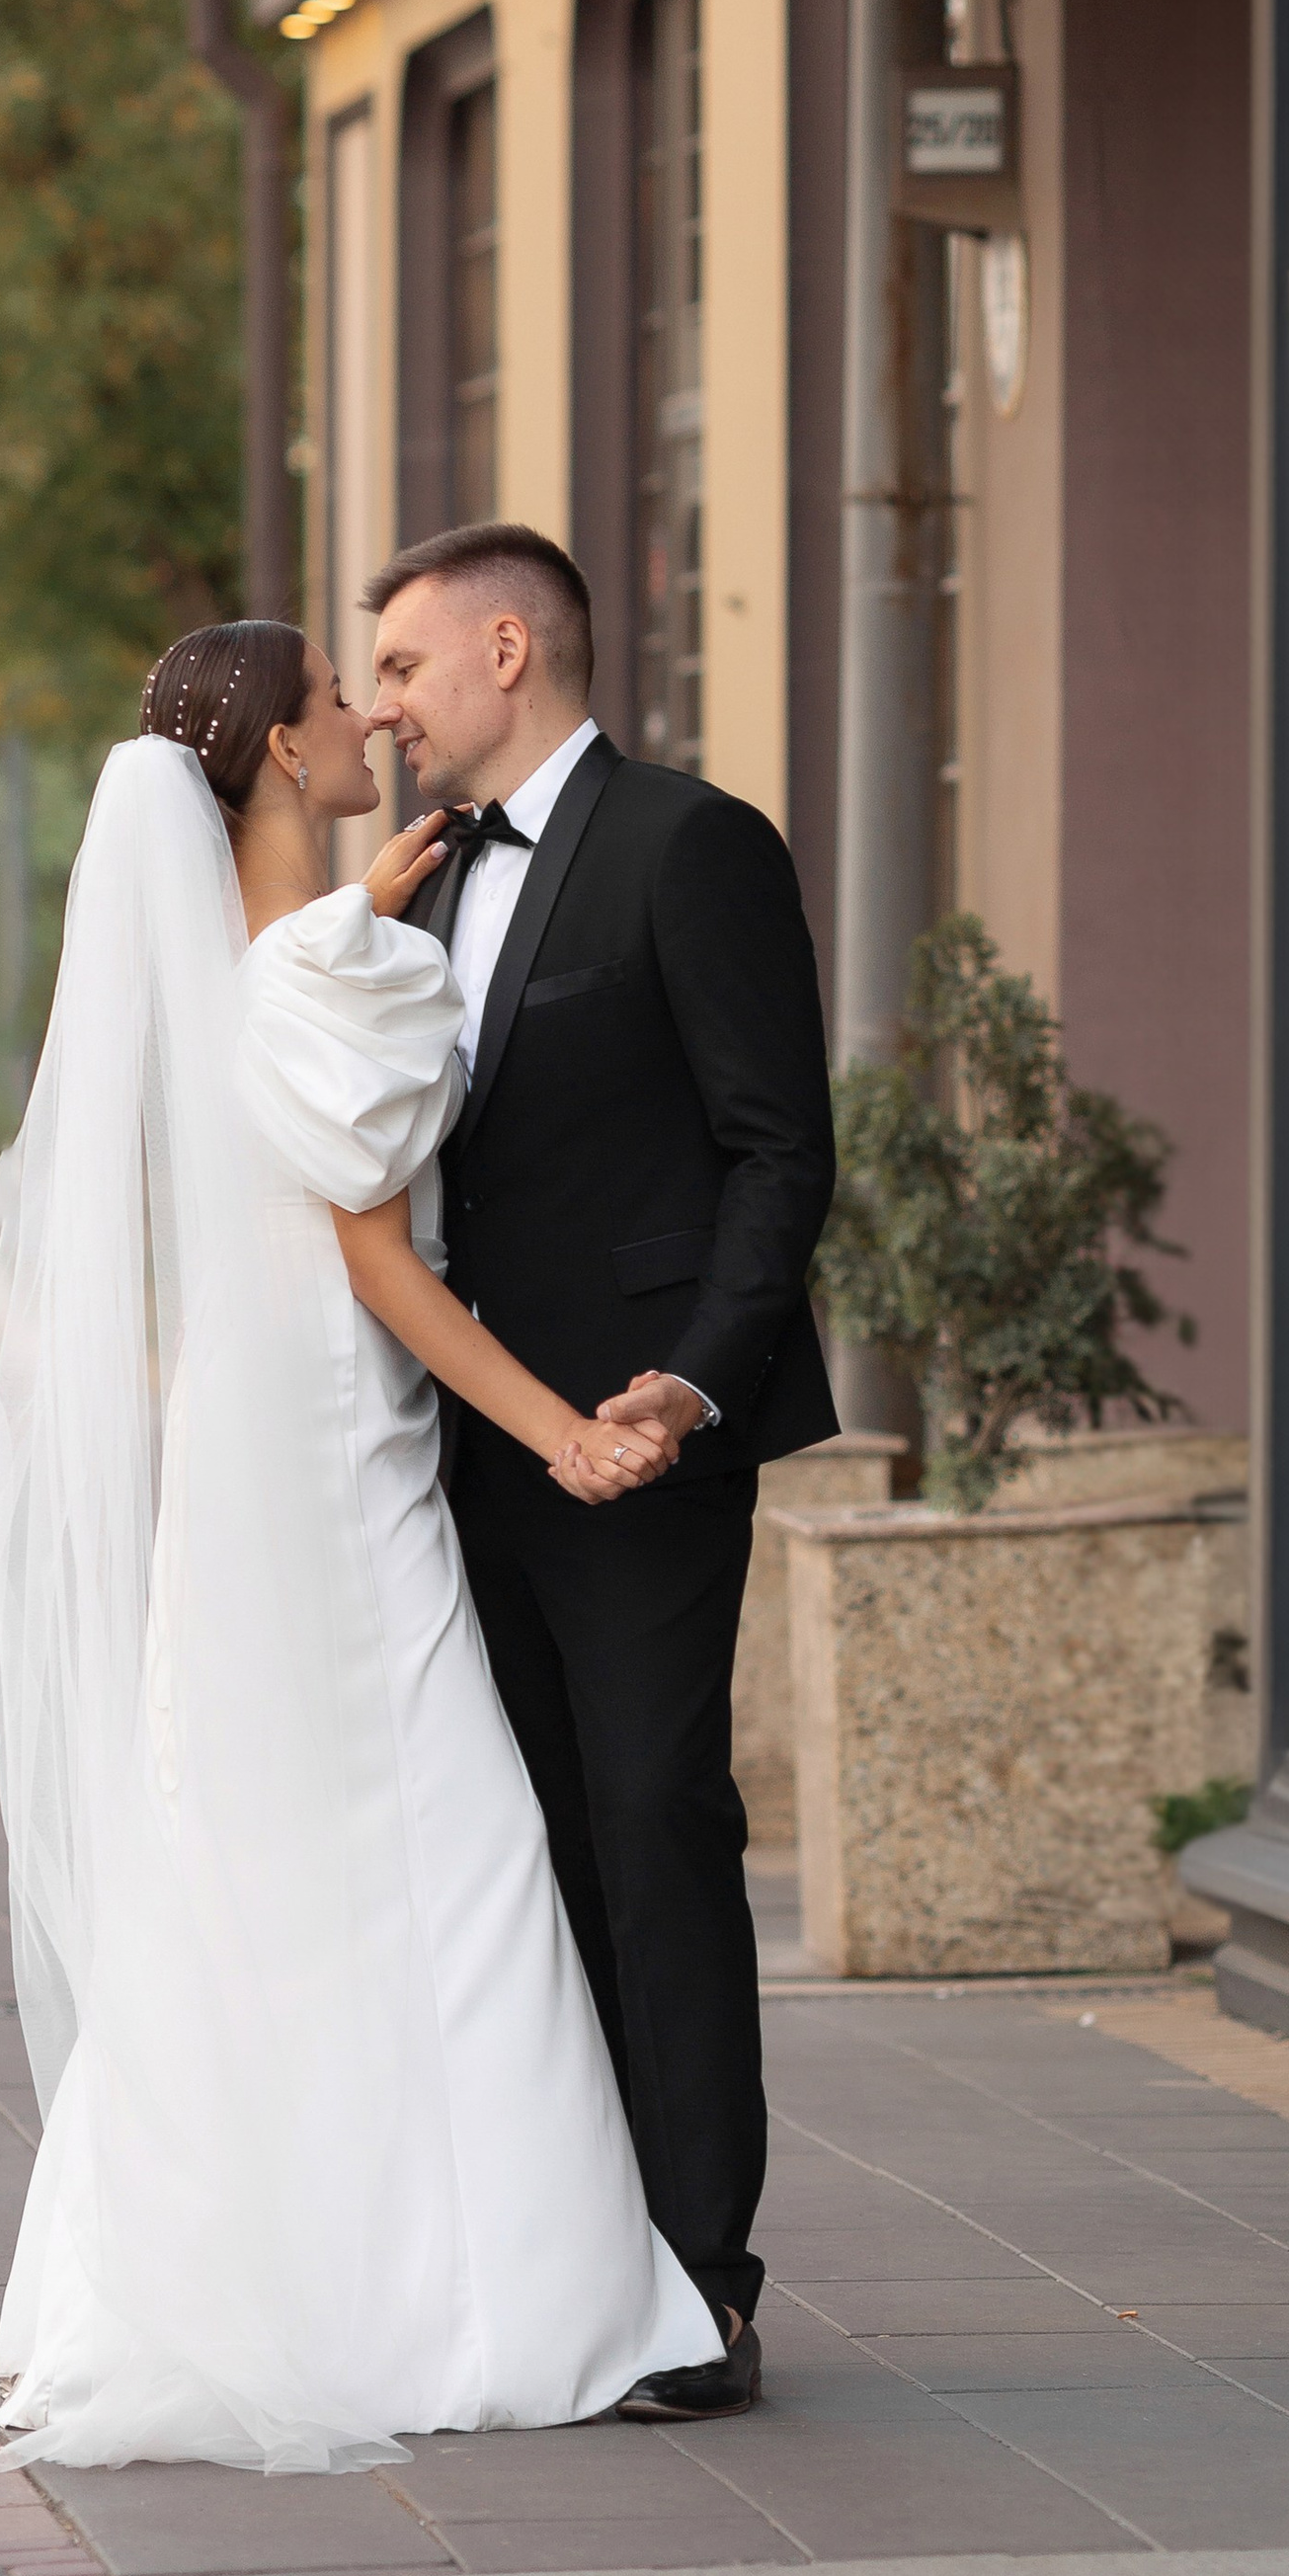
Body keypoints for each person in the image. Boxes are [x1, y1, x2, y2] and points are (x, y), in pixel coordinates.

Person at [0, 618, 718, 2474]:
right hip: (335, 1450)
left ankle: (244, 2274)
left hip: (235, 1452)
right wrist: (559, 1431)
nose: (364, 716)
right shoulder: (331, 967)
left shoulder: (228, 969)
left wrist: (359, 925)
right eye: (332, 698)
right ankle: (489, 2296)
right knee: (447, 1852)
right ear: (275, 758)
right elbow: (381, 1267)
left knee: (245, 1862)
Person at [363, 523, 838, 2424]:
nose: (380, 706)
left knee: (654, 1828)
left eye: (398, 666)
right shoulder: (408, 887)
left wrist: (693, 1390)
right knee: (527, 1851)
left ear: (504, 650)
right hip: (452, 1444)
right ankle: (566, 2263)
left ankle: (704, 2284)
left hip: (638, 1447)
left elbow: (776, 1152)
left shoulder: (690, 845)